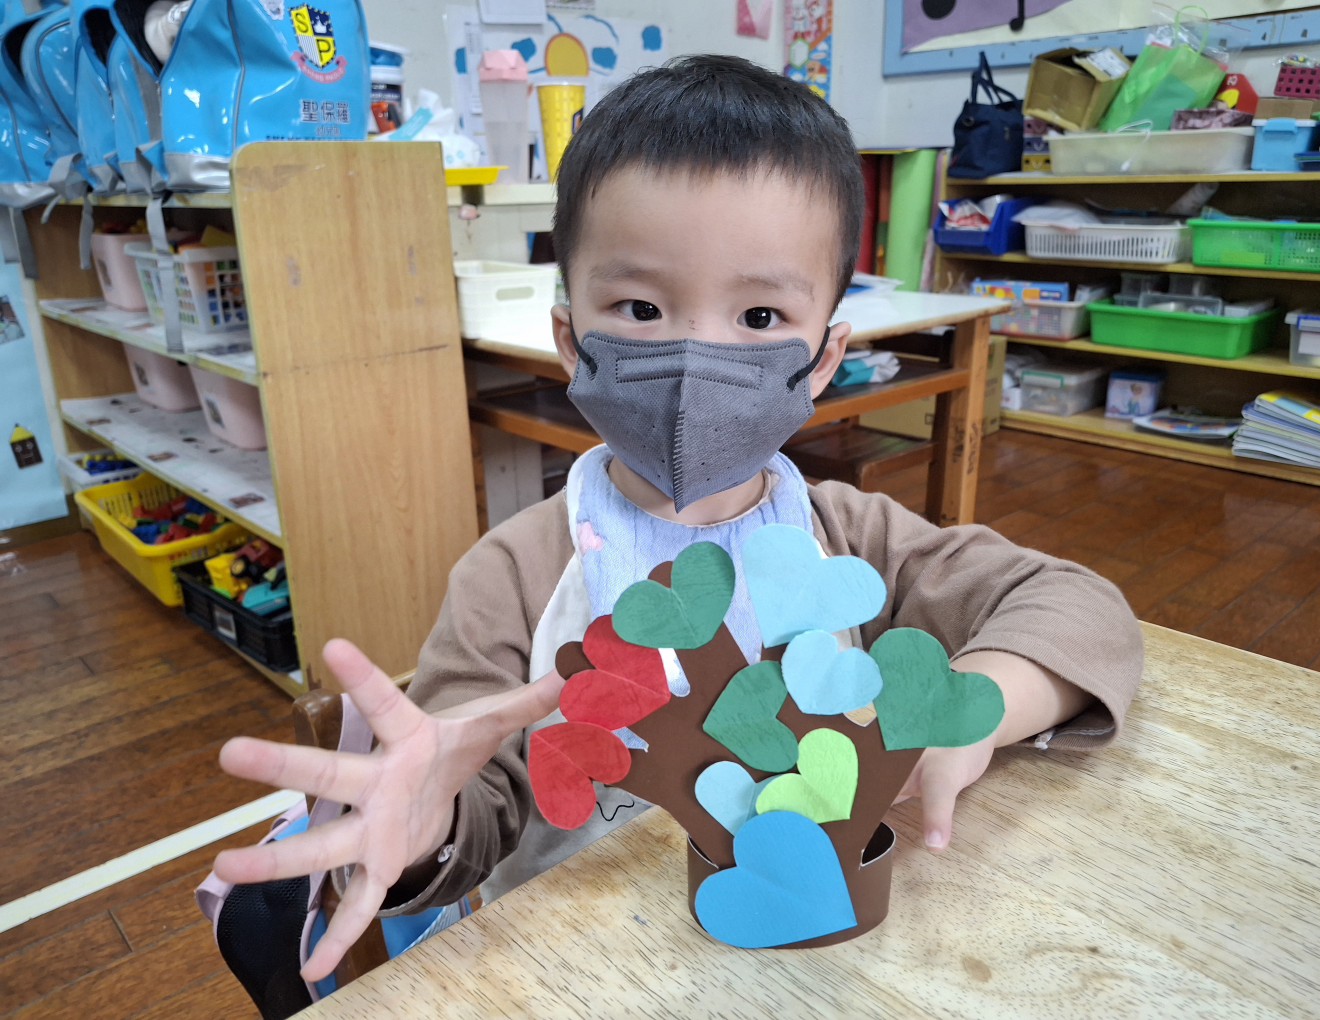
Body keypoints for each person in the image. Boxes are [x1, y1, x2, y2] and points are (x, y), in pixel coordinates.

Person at [215, 54, 1143, 980]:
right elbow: (469, 802)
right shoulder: (513, 577)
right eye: (643, 306)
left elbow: (1075, 606)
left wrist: (970, 712)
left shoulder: (851, 539)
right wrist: (430, 826)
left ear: (823, 361)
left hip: (815, 954)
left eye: (759, 316)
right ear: (572, 339)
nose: (698, 353)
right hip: (588, 972)